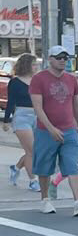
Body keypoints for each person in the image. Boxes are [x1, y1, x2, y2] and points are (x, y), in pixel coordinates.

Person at [30, 46, 78, 217]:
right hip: (45, 131)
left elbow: (76, 103)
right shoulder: (39, 79)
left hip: (69, 130)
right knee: (44, 167)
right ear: (50, 59)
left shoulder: (71, 79)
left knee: (73, 164)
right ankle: (45, 200)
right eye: (59, 57)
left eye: (65, 57)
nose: (63, 60)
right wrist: (51, 128)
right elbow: (38, 108)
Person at [3, 52, 39, 191]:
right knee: (31, 151)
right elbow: (11, 101)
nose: (36, 67)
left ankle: (16, 168)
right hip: (22, 116)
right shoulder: (15, 82)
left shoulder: (37, 80)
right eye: (33, 64)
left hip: (37, 116)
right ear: (26, 65)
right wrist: (6, 121)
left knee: (35, 150)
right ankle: (33, 181)